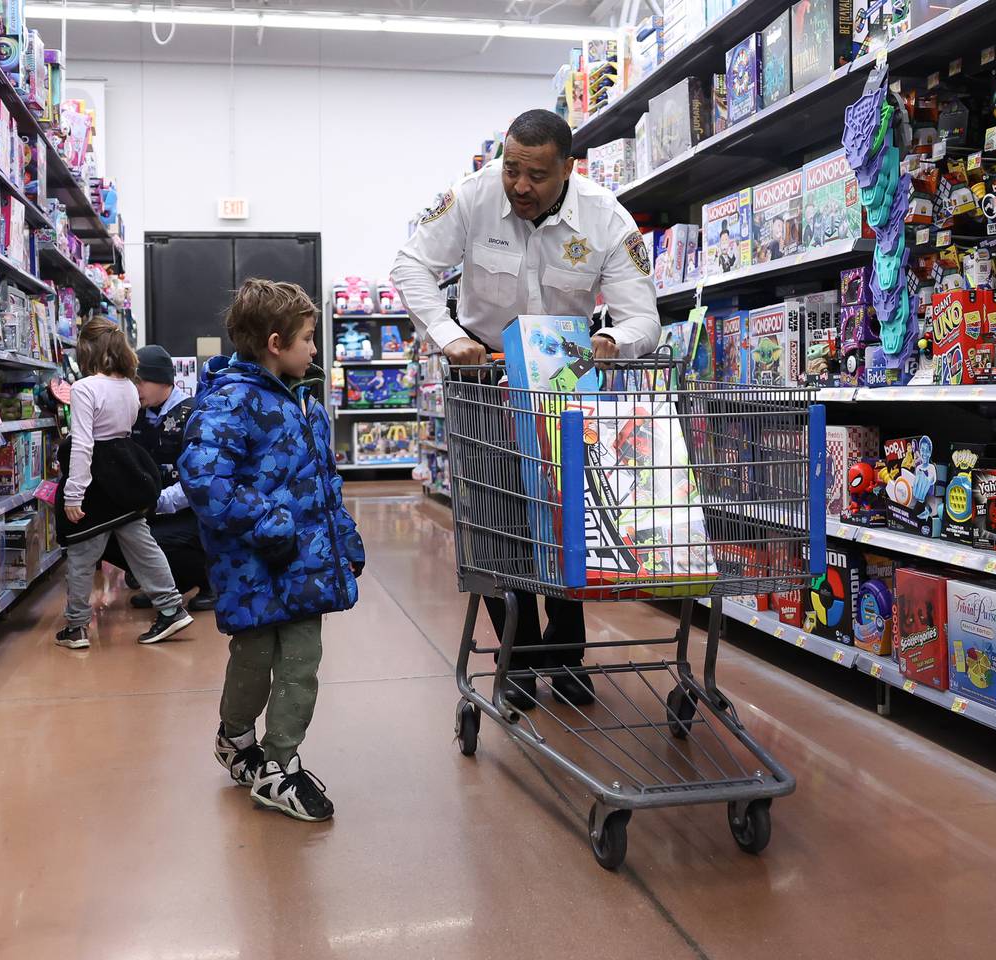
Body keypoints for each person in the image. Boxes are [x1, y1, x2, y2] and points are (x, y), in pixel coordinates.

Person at [390, 107, 661, 711]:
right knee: (495, 518)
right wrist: (444, 333)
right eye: (511, 168)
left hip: (564, 383)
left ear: (569, 167)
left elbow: (644, 316)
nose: (520, 186)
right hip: (485, 378)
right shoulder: (471, 198)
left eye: (536, 175)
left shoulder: (607, 219)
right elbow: (411, 265)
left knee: (566, 520)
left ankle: (564, 658)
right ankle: (517, 655)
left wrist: (610, 342)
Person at [178, 279, 365, 823]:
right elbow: (202, 476)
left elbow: (324, 486)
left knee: (300, 660)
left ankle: (279, 764)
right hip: (255, 563)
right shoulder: (232, 401)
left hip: (303, 562)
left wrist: (344, 537)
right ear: (277, 343)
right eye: (309, 339)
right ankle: (236, 740)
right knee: (254, 656)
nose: (315, 349)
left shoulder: (303, 402)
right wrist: (267, 520)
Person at [54, 319, 195, 650]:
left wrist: (74, 494)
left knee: (81, 552)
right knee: (144, 547)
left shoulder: (85, 388)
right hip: (127, 474)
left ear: (88, 351)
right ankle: (171, 607)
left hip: (95, 481)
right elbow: (126, 430)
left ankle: (76, 627)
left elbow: (84, 444)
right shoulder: (130, 389)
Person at [101, 344, 218, 612]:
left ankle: (207, 581)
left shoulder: (193, 416)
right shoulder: (138, 415)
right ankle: (162, 585)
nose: (135, 389)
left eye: (139, 381)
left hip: (189, 514)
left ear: (163, 379)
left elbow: (199, 481)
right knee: (105, 538)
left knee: (143, 540)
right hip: (152, 509)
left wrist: (155, 502)